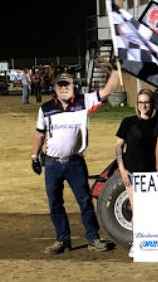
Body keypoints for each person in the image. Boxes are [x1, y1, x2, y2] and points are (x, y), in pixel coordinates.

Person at [31, 69, 119, 255]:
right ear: (54, 88)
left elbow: (108, 90)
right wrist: (34, 157)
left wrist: (115, 70)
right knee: (55, 203)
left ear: (73, 87)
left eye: (67, 84)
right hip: (52, 163)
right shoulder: (45, 109)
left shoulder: (83, 102)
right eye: (60, 85)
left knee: (85, 201)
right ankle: (62, 240)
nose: (64, 88)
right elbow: (40, 134)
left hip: (75, 163)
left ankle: (93, 238)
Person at [115, 89, 158, 258]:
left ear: (152, 103)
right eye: (140, 102)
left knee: (154, 209)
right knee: (138, 209)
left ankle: (155, 242)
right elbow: (119, 146)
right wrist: (122, 169)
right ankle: (137, 243)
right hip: (133, 173)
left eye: (146, 102)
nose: (143, 105)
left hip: (154, 174)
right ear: (136, 104)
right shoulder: (128, 122)